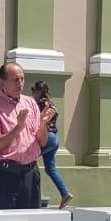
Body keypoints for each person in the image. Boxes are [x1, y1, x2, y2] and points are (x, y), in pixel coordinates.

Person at [0, 61, 53, 209]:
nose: (20, 84)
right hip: (4, 175)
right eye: (15, 80)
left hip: (30, 173)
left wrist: (43, 124)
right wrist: (17, 128)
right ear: (2, 82)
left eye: (22, 79)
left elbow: (42, 141)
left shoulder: (31, 103)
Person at [31, 80, 73, 208]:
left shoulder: (40, 103)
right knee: (50, 169)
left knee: (29, 161)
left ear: (38, 91)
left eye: (33, 91)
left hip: (46, 137)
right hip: (54, 138)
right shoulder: (51, 103)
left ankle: (33, 194)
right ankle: (65, 193)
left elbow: (35, 121)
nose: (32, 93)